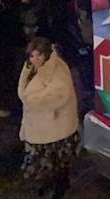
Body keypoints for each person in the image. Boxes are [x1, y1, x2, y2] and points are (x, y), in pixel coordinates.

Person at [17, 37, 79, 199]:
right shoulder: (30, 68)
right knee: (45, 161)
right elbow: (25, 92)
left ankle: (61, 186)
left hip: (55, 124)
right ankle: (51, 182)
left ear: (46, 54)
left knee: (58, 160)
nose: (35, 60)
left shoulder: (58, 68)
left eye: (39, 56)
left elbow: (60, 95)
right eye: (32, 56)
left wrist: (33, 103)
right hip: (38, 125)